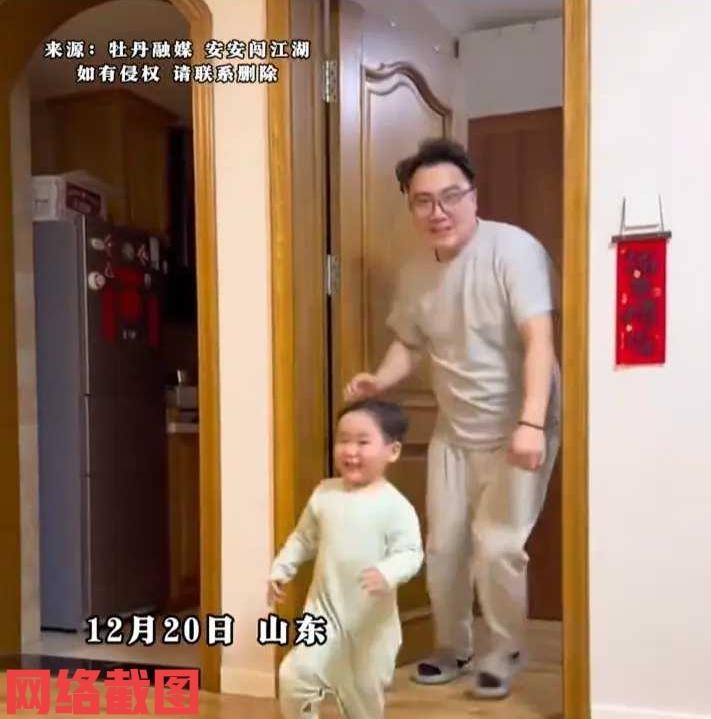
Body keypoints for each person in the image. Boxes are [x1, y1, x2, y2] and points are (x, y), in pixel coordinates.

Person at [344, 137, 561, 700]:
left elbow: (539, 340)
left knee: (498, 546)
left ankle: (505, 650)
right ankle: (453, 646)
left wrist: (531, 422)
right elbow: (409, 341)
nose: (437, 211)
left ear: (473, 196)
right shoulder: (415, 271)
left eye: (450, 196)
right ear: (411, 206)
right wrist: (380, 380)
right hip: (454, 428)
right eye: (423, 201)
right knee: (442, 548)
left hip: (518, 425)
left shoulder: (514, 251)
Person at [268, 399, 424, 718]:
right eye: (343, 440)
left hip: (370, 627)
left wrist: (388, 572)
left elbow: (410, 553)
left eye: (363, 442)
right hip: (323, 612)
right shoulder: (325, 494)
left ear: (392, 451)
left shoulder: (395, 506)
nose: (351, 451)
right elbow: (303, 538)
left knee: (362, 701)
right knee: (295, 676)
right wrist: (282, 567)